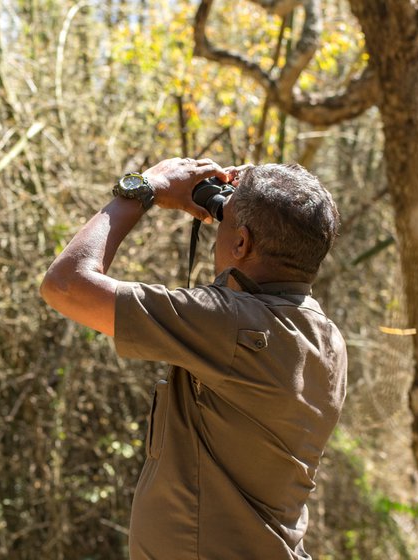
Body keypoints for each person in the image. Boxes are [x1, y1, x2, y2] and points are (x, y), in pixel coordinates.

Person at [40, 157, 347, 559]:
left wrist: (145, 186)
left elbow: (65, 285)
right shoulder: (325, 337)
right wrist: (258, 193)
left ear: (241, 244)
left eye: (225, 222)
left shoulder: (231, 324)